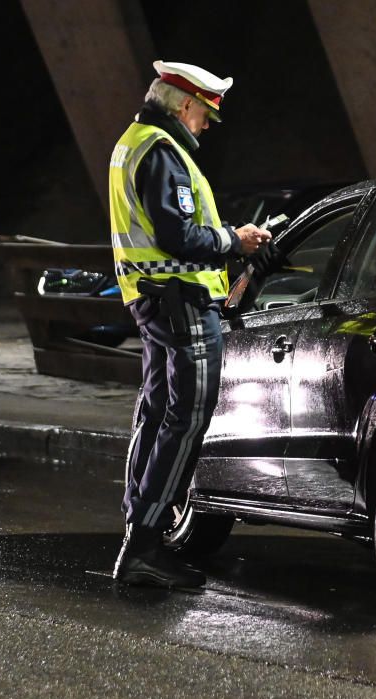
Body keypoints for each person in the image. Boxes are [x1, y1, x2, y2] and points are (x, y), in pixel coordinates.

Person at [108, 60, 271, 589]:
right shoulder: (162, 151)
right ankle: (146, 545)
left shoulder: (133, 142)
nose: (205, 125)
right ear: (184, 104)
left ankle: (138, 533)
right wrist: (234, 240)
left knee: (157, 412)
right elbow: (178, 236)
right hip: (182, 300)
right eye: (205, 114)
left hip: (154, 299)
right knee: (187, 419)